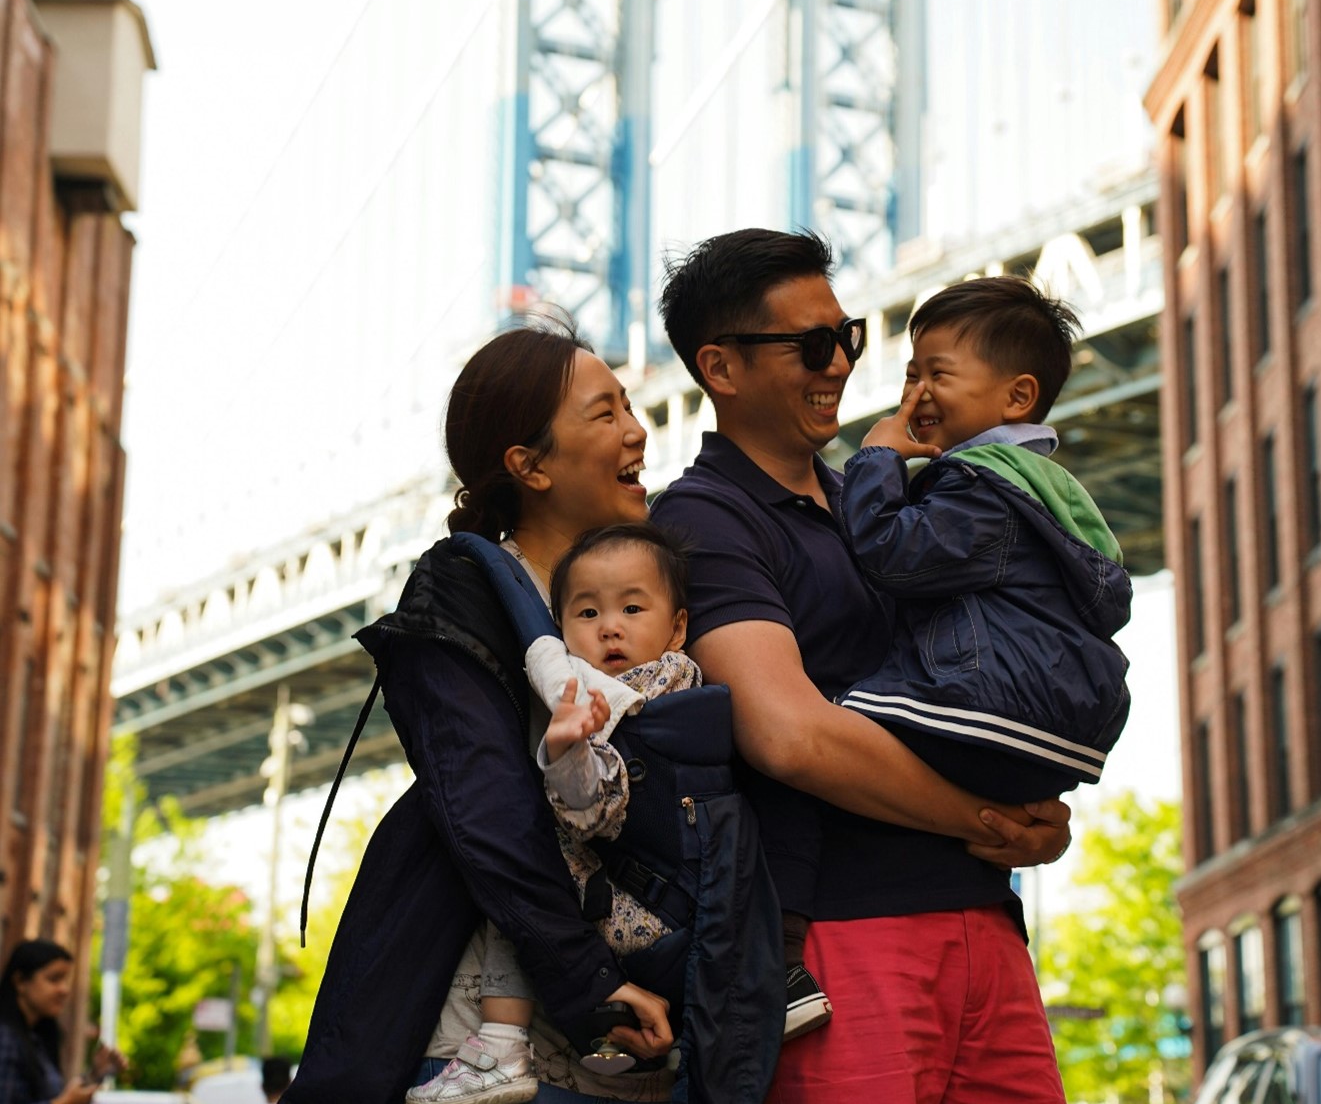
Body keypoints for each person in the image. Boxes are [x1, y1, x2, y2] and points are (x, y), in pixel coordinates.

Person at [288, 322, 775, 1104]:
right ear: (529, 464)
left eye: (630, 405)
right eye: (604, 411)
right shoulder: (465, 591)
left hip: (642, 1036)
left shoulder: (663, 601)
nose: (637, 430)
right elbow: (488, 813)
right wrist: (592, 988)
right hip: (484, 1046)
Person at [650, 228, 1073, 1103]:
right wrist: (986, 817)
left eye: (844, 338)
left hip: (985, 922)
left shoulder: (887, 501)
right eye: (809, 345)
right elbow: (790, 736)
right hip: (845, 934)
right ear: (719, 369)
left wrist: (1033, 820)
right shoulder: (703, 516)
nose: (839, 365)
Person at [408, 523, 694, 1103]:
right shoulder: (683, 681)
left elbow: (594, 807)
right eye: (586, 615)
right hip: (667, 917)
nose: (610, 626)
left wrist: (565, 750)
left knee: (515, 887)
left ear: (679, 627)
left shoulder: (630, 694)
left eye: (632, 608)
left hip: (622, 911)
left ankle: (501, 1041)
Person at [837, 275, 1132, 803]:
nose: (916, 393)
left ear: (1018, 397)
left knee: (816, 735)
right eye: (910, 375)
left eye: (939, 374)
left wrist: (874, 460)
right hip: (1047, 729)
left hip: (980, 711)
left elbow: (892, 554)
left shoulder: (982, 487)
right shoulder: (1040, 486)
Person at [0, 939, 125, 1104]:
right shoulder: (6, 1038)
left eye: (65, 980)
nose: (64, 990)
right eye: (54, 979)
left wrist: (95, 1075)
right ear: (20, 982)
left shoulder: (35, 1038)